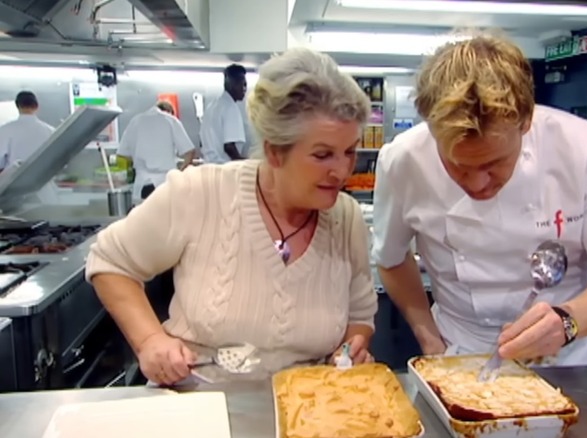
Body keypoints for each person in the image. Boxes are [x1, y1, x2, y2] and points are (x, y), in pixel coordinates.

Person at [85, 47, 377, 386]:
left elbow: (359, 313)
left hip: (305, 410)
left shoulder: (347, 219)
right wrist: (151, 341)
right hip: (197, 406)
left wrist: (351, 349)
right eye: (323, 155)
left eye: (350, 151)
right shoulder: (201, 193)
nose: (342, 170)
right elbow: (110, 262)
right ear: (274, 151)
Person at [372, 33, 587, 367]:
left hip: (561, 360)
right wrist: (430, 339)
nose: (477, 183)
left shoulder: (583, 149)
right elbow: (391, 259)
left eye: (493, 164)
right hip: (456, 351)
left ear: (526, 121)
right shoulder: (403, 160)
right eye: (458, 166)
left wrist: (566, 322)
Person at [117, 100, 196, 203]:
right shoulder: (171, 120)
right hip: (164, 184)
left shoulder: (135, 121)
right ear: (169, 111)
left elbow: (123, 154)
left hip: (141, 184)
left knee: (143, 217)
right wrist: (180, 173)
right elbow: (190, 151)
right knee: (165, 217)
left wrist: (140, 160)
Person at [199, 64, 248, 163]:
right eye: (242, 84)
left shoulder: (212, 106)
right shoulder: (230, 107)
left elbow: (201, 141)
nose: (244, 89)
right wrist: (244, 164)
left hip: (209, 166)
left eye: (245, 85)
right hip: (223, 167)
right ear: (231, 83)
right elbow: (229, 147)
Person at [0, 91, 55, 171]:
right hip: (44, 179)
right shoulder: (51, 131)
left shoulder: (4, 130)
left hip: (14, 181)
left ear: (17, 106)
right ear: (37, 106)